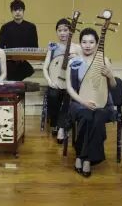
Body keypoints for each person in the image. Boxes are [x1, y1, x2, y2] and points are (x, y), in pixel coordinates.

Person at [65, 28, 117, 177]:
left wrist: (110, 76)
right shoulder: (73, 61)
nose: (87, 45)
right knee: (87, 115)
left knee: (95, 116)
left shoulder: (104, 61)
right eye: (84, 42)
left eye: (91, 42)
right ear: (80, 43)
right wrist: (83, 102)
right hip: (78, 102)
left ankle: (83, 157)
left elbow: (113, 86)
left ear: (97, 44)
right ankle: (87, 158)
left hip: (102, 103)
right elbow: (69, 88)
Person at [42, 18, 81, 143]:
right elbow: (45, 67)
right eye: (59, 30)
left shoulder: (77, 47)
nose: (62, 33)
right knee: (52, 94)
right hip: (56, 82)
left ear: (71, 31)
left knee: (68, 97)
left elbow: (82, 67)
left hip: (71, 84)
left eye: (65, 30)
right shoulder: (53, 47)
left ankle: (61, 128)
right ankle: (55, 123)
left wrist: (76, 57)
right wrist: (50, 81)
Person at [0, 0, 38, 81]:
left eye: (20, 10)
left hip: (24, 62)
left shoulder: (31, 27)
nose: (17, 12)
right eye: (15, 10)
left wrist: (23, 56)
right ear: (11, 12)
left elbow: (35, 47)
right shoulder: (5, 27)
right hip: (10, 62)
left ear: (23, 11)